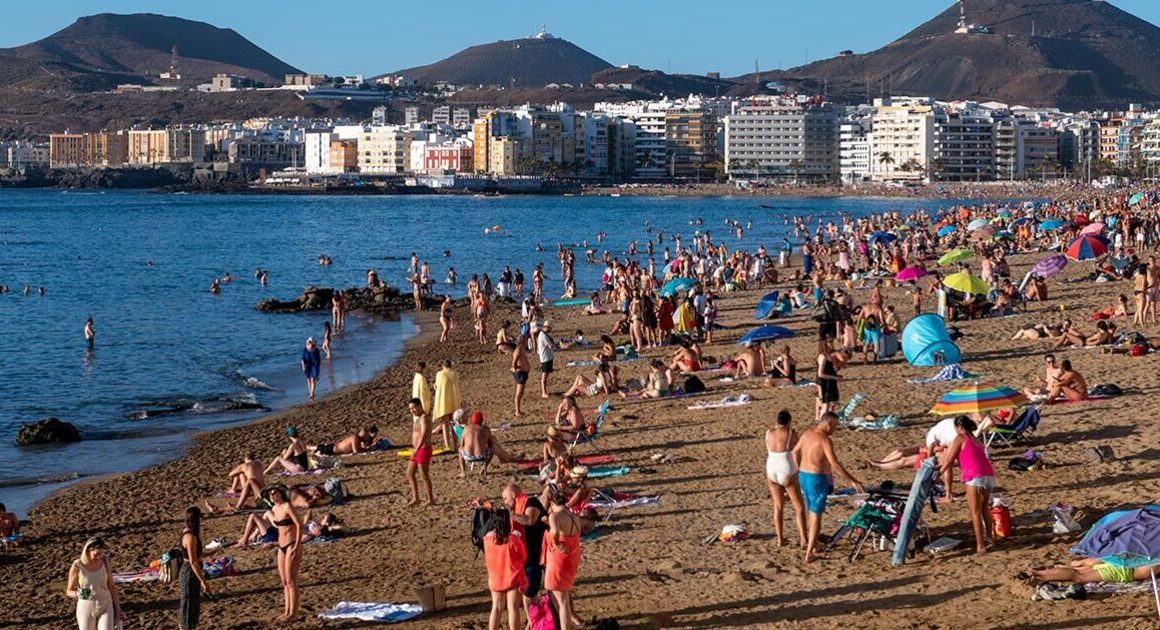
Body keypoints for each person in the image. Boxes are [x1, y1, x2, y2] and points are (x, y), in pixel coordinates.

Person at [791, 412, 864, 563]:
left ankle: (815, 545)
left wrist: (799, 467)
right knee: (816, 515)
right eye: (835, 427)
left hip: (804, 475)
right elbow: (835, 465)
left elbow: (794, 452)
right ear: (828, 424)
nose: (834, 430)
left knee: (811, 511)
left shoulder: (806, 434)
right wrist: (853, 480)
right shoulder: (825, 440)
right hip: (816, 478)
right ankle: (809, 552)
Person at [938, 416, 995, 554]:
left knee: (974, 511)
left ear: (959, 427)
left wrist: (938, 474)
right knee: (984, 508)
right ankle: (991, 538)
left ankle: (980, 545)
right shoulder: (976, 439)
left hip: (974, 476)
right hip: (989, 475)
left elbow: (949, 460)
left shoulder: (960, 438)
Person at [503, 483, 547, 621]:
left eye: (505, 498)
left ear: (513, 495)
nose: (504, 502)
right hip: (526, 556)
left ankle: (532, 623)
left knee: (530, 593)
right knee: (530, 592)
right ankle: (534, 622)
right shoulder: (517, 508)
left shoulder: (531, 502)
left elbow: (529, 520)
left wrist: (511, 514)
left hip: (537, 554)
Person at [765, 410, 806, 548]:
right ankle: (803, 539)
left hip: (771, 469)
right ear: (789, 421)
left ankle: (780, 539)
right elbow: (798, 449)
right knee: (799, 507)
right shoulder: (790, 434)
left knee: (778, 506)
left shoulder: (768, 432)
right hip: (786, 468)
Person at [544, 488, 583, 630]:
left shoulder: (555, 516)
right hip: (573, 555)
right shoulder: (574, 516)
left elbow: (554, 531)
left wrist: (557, 544)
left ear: (552, 502)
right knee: (564, 596)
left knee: (561, 601)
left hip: (560, 558)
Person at [482, 507, 527, 630]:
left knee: (496, 608)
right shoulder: (513, 540)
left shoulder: (487, 539)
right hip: (512, 577)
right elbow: (523, 557)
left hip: (495, 578)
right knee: (513, 609)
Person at [66, 537, 123, 630]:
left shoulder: (105, 561)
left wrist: (118, 609)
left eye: (101, 553)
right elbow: (69, 590)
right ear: (88, 550)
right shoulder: (78, 565)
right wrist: (77, 594)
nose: (99, 557)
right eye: (96, 554)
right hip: (86, 605)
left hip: (105, 603)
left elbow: (112, 586)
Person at [266, 487, 303, 622]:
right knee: (284, 581)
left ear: (281, 494)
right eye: (270, 494)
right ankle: (287, 611)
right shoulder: (275, 509)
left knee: (291, 580)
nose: (272, 495)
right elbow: (280, 528)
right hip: (281, 545)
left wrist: (297, 545)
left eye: (275, 493)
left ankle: (293, 613)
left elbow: (299, 525)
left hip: (292, 544)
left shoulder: (287, 506)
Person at [458, 411, 520, 480]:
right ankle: (485, 467)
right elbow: (491, 444)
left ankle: (463, 472)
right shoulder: (486, 429)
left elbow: (461, 445)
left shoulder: (466, 428)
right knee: (493, 447)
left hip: (468, 456)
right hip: (482, 456)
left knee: (460, 450)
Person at [178, 507, 210, 629]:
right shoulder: (190, 537)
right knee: (188, 607)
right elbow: (193, 562)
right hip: (190, 574)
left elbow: (195, 556)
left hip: (190, 572)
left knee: (191, 606)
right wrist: (204, 582)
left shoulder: (188, 532)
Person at [1031, 557, 1155, 586]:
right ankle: (1039, 576)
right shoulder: (1156, 558)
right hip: (1123, 571)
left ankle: (1042, 573)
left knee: (1078, 569)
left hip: (1118, 560)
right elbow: (1149, 571)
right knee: (1079, 576)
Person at [406, 397, 435, 506]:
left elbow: (424, 435)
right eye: (410, 409)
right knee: (410, 473)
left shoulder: (424, 418)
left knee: (424, 475)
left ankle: (431, 499)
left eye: (413, 408)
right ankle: (416, 497)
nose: (412, 411)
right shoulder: (418, 418)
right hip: (417, 449)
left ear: (420, 406)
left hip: (423, 449)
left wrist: (417, 449)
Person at [432, 359, 462, 451]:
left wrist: (434, 385)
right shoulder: (455, 374)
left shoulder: (440, 374)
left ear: (443, 366)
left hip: (443, 402)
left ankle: (447, 445)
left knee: (445, 424)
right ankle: (457, 444)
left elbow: (438, 386)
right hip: (454, 401)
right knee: (455, 424)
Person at [815, 338, 841, 420]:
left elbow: (831, 369)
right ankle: (822, 420)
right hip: (825, 382)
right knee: (826, 403)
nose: (832, 343)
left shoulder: (829, 355)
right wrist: (835, 377)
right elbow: (820, 374)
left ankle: (828, 419)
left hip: (831, 381)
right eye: (830, 342)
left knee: (833, 402)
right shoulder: (822, 356)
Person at [511, 335, 530, 417]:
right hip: (520, 373)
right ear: (522, 341)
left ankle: (518, 410)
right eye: (526, 340)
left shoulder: (520, 349)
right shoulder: (518, 350)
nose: (527, 342)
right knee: (518, 393)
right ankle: (517, 411)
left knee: (520, 392)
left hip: (522, 373)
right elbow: (514, 362)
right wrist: (516, 369)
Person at [537, 321, 556, 399]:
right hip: (545, 358)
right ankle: (543, 392)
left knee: (546, 375)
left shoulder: (544, 334)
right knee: (544, 376)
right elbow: (550, 346)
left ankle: (545, 391)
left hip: (547, 357)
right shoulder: (543, 335)